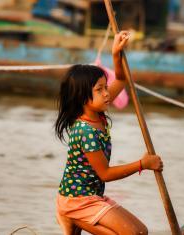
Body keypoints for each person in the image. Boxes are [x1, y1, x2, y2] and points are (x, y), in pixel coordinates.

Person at [54, 31, 164, 235]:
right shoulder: (85, 131)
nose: (107, 94)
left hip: (92, 197)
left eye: (106, 87)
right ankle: (70, 217)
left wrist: (116, 52)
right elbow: (105, 174)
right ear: (83, 98)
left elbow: (121, 81)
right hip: (77, 201)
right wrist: (142, 164)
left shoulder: (97, 110)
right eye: (100, 89)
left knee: (142, 232)